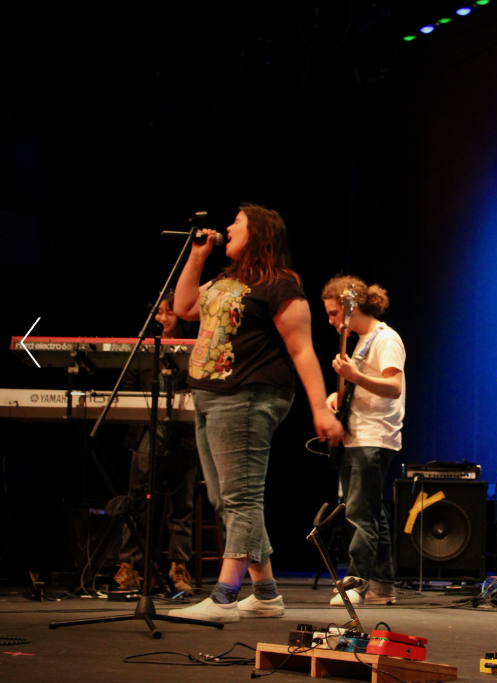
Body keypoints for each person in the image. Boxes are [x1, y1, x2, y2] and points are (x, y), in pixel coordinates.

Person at [169, 204, 343, 623]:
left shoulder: (281, 285)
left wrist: (321, 408)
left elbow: (303, 350)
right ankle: (265, 593)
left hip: (250, 395)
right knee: (224, 498)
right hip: (210, 395)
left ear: (259, 233)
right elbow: (185, 307)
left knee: (242, 498)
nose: (227, 228)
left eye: (237, 224)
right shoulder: (227, 278)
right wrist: (196, 256)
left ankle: (225, 596)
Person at [321, 275, 404, 606]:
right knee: (372, 512)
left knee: (359, 513)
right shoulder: (361, 340)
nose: (329, 321)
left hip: (374, 435)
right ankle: (382, 586)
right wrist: (337, 396)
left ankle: (356, 583)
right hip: (357, 434)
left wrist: (353, 376)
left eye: (331, 313)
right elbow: (361, 386)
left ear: (348, 306)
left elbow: (394, 387)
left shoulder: (386, 339)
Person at [114, 291, 199, 597]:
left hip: (183, 441)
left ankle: (178, 566)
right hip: (146, 439)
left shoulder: (194, 350)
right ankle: (130, 567)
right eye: (158, 313)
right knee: (136, 503)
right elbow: (127, 391)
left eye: (169, 314)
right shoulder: (144, 350)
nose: (162, 319)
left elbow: (197, 391)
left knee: (181, 506)